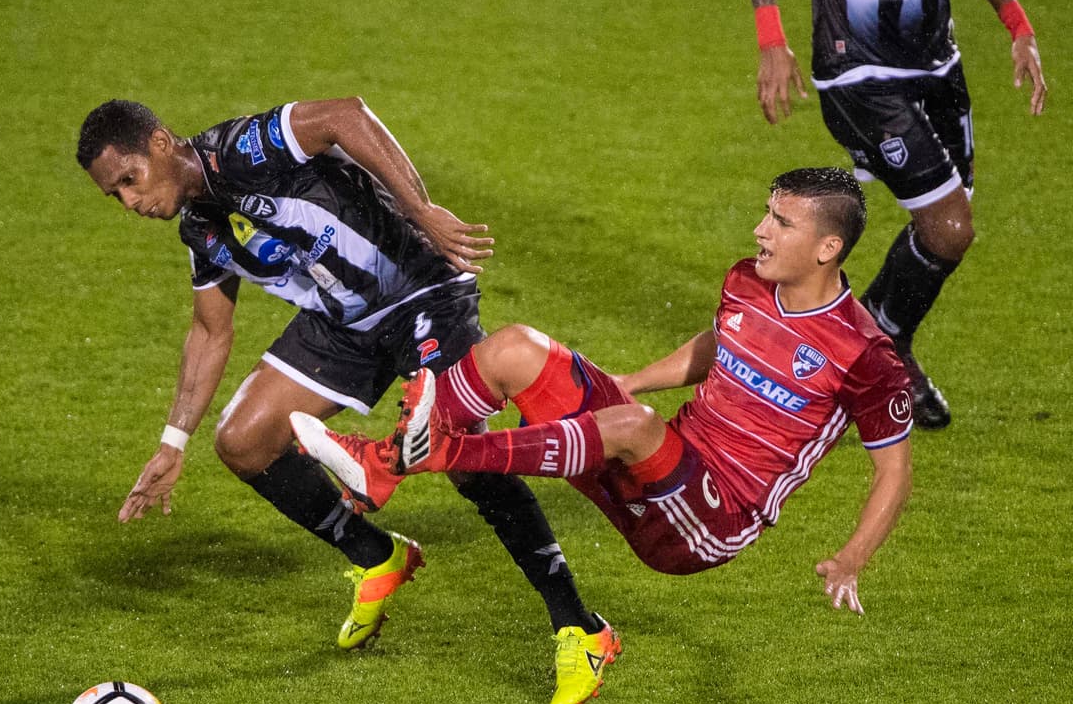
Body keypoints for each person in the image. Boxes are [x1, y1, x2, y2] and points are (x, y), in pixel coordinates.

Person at [75, 97, 616, 704]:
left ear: (162, 144)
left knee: (467, 459)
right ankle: (376, 555)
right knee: (244, 441)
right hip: (345, 324)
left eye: (129, 180)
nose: (129, 202)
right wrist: (173, 443)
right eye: (113, 195)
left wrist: (421, 209)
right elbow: (208, 330)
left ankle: (581, 629)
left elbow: (343, 114)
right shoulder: (200, 229)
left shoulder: (243, 150)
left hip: (421, 288)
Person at [293, 168, 913, 616]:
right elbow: (721, 341)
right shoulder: (748, 283)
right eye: (767, 213)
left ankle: (423, 454)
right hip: (653, 460)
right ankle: (382, 467)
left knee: (635, 425)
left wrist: (854, 556)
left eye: (781, 221)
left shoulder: (865, 354)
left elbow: (894, 471)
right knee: (515, 347)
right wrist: (631, 380)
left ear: (829, 247)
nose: (760, 230)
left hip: (711, 519)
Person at [745, 0, 1048, 429]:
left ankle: (868, 341)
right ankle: (873, 351)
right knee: (950, 227)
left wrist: (1018, 26)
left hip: (937, 67)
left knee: (942, 231)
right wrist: (771, 38)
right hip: (857, 70)